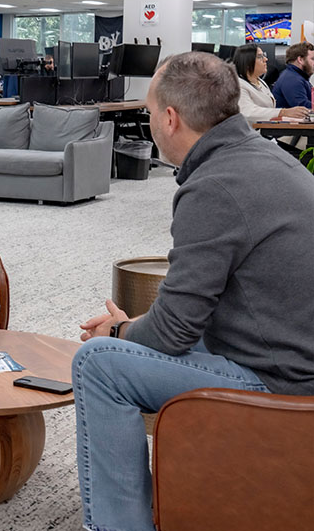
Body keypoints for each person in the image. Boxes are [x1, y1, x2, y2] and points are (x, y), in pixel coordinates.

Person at [71, 51, 314, 531]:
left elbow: (173, 334)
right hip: (286, 348)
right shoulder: (266, 157)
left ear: (169, 118)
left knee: (97, 364)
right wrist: (134, 327)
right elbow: (191, 309)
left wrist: (120, 332)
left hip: (282, 380)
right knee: (131, 341)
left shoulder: (216, 186)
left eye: (148, 111)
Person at [232, 43, 308, 121]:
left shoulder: (260, 82)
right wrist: (283, 112)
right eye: (260, 57)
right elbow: (248, 112)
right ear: (247, 61)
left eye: (264, 55)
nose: (265, 59)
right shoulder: (238, 85)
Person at [272, 41, 314, 110]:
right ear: (300, 60)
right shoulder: (291, 79)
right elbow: (303, 107)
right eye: (312, 59)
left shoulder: (298, 76)